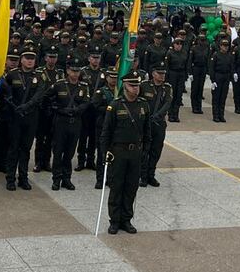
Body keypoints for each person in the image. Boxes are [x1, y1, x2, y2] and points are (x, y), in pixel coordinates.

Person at [101, 71, 151, 235]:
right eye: (132, 85)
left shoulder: (144, 105)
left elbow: (147, 132)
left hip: (135, 152)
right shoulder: (115, 105)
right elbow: (106, 132)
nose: (135, 89)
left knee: (131, 187)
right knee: (117, 187)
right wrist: (105, 153)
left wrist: (145, 152)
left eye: (137, 85)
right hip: (118, 152)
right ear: (124, 86)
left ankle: (126, 219)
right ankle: (114, 220)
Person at [1, 48, 47, 191]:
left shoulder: (39, 76)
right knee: (13, 147)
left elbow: (39, 95)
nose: (29, 61)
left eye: (32, 58)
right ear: (21, 60)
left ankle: (23, 177)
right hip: (15, 117)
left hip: (30, 116)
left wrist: (26, 106)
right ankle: (10, 178)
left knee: (26, 149)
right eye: (27, 58)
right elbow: (4, 93)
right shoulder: (12, 74)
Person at [48, 59, 91, 191]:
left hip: (75, 122)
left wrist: (76, 110)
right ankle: (56, 179)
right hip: (61, 122)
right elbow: (48, 99)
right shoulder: (59, 85)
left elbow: (86, 102)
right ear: (67, 71)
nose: (75, 73)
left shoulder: (83, 86)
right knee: (58, 151)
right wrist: (57, 109)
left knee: (69, 152)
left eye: (77, 71)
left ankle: (67, 179)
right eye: (73, 70)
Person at [140, 65, 172, 187]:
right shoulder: (144, 86)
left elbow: (167, 103)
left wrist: (157, 116)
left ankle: (151, 175)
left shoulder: (167, 88)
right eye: (159, 73)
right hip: (146, 123)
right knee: (144, 150)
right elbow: (140, 102)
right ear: (153, 74)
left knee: (156, 150)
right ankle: (142, 176)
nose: (162, 76)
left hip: (159, 124)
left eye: (163, 73)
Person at [209, 35, 234, 123]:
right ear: (220, 46)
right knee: (216, 97)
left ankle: (221, 115)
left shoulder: (229, 56)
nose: (225, 47)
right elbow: (212, 68)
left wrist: (231, 78)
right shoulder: (216, 55)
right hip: (218, 76)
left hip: (226, 77)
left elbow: (231, 67)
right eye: (224, 46)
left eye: (227, 46)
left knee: (223, 97)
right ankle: (215, 115)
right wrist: (213, 80)